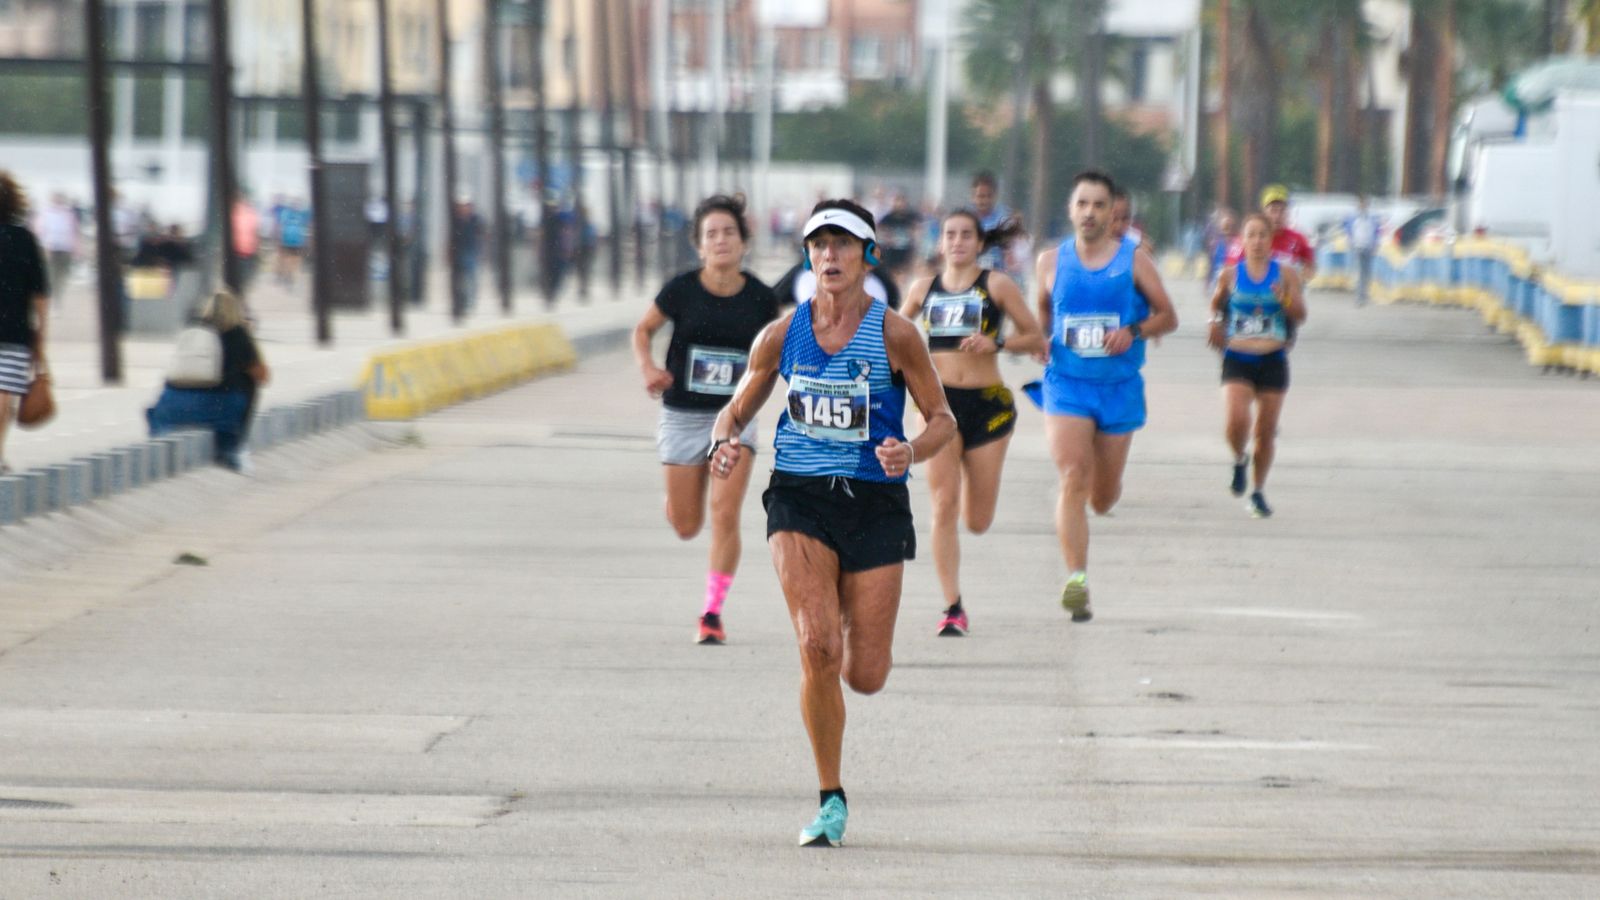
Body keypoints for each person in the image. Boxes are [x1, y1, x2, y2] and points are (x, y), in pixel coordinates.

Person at [707, 199, 955, 848]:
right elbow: (733, 412)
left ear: (867, 256)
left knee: (865, 674)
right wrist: (723, 444)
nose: (830, 256)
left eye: (844, 245)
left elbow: (941, 420)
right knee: (817, 647)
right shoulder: (781, 335)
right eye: (820, 245)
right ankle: (830, 797)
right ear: (808, 256)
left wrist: (912, 451)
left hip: (875, 502)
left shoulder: (896, 333)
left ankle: (848, 620)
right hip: (800, 497)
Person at [631, 195, 779, 645]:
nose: (720, 241)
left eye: (728, 233)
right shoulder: (681, 290)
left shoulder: (760, 297)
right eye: (711, 234)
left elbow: (775, 353)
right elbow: (643, 331)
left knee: (725, 513)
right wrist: (648, 368)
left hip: (734, 419)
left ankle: (711, 613)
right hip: (682, 415)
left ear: (743, 242)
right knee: (686, 524)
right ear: (699, 245)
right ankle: (676, 505)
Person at [1035, 171, 1178, 622]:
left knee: (1102, 497)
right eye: (1083, 204)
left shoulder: (1133, 260)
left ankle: (1098, 499)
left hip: (1118, 388)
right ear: (1071, 209)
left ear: (1111, 212)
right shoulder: (1049, 261)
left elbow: (1168, 316)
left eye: (1099, 205)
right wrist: (1040, 338)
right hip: (1067, 385)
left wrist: (1133, 331)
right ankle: (1077, 579)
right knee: (1073, 475)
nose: (1090, 212)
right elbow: (1041, 311)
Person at [900, 210, 1046, 636]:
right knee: (943, 504)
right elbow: (891, 328)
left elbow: (1035, 336)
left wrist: (995, 341)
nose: (958, 241)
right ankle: (952, 606)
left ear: (979, 243)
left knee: (977, 520)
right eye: (950, 234)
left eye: (966, 234)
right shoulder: (923, 288)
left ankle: (970, 516)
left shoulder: (996, 284)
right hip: (938, 406)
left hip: (989, 404)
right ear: (940, 242)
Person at [1207, 213, 1306, 518]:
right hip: (1237, 357)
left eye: (1263, 235)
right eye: (1251, 235)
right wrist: (1213, 322)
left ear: (1270, 240)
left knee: (1265, 432)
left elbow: (1300, 314)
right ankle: (1239, 458)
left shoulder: (1286, 274)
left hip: (1273, 359)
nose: (1258, 241)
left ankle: (1258, 491)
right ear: (1243, 240)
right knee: (1237, 421)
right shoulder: (1229, 275)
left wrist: (1286, 300)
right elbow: (1216, 304)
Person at [146, 290, 270, 472]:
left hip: (170, 407)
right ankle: (232, 448)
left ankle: (158, 450)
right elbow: (262, 376)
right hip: (218, 410)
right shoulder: (237, 334)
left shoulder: (192, 329)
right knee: (248, 382)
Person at [0, 172, 50, 475]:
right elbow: (41, 295)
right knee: (4, 394)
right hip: (14, 331)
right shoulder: (24, 239)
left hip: (13, 330)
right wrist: (42, 335)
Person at [34, 193, 78, 309]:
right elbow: (40, 232)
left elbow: (73, 233)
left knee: (63, 274)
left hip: (65, 248)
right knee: (52, 274)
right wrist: (43, 248)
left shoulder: (68, 214)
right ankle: (54, 300)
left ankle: (59, 297)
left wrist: (75, 249)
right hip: (51, 248)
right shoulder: (45, 213)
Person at [1344, 195, 1383, 306]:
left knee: (1367, 272)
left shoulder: (1372, 218)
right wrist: (1351, 242)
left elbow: (1376, 232)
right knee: (1360, 272)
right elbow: (1348, 230)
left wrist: (1376, 244)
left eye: (1364, 204)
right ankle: (1359, 297)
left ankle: (1364, 294)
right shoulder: (1353, 218)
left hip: (1369, 247)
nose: (1363, 206)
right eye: (1361, 204)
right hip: (1358, 247)